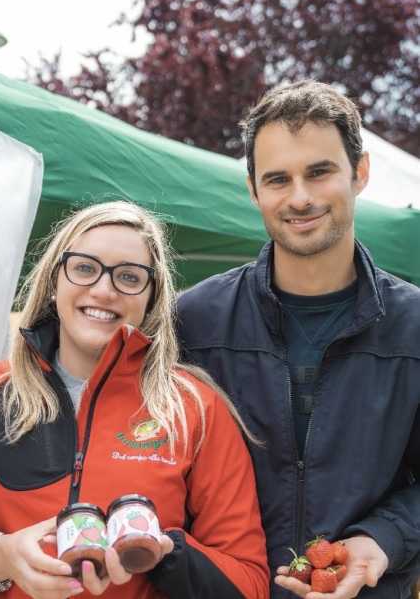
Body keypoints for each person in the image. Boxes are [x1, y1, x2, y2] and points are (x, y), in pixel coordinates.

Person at [0, 201, 269, 599]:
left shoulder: (195, 408)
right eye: (85, 268)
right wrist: (1, 556)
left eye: (129, 277)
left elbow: (248, 584)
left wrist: (160, 551)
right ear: (54, 279)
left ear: (152, 296)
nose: (104, 290)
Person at [177, 80, 420, 599]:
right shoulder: (192, 322)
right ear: (253, 190)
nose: (300, 197)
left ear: (360, 172)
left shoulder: (415, 326)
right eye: (278, 179)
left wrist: (381, 540)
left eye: (319, 172)